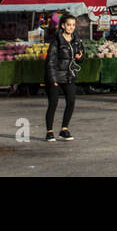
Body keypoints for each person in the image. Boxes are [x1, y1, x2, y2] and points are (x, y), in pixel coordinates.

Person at [45, 13, 85, 141]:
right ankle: (49, 131)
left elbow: (81, 55)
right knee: (53, 103)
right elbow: (50, 61)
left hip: (69, 75)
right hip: (56, 75)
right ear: (63, 25)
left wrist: (80, 57)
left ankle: (64, 129)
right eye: (69, 25)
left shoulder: (76, 40)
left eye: (73, 25)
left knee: (71, 101)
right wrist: (53, 79)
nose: (71, 27)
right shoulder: (56, 41)